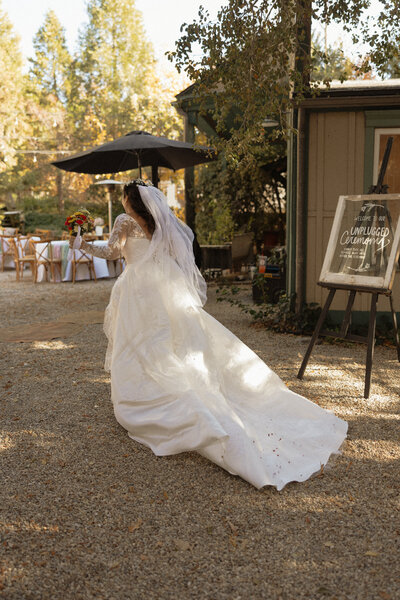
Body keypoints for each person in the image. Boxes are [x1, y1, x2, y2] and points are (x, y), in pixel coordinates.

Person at [70, 180, 347, 490]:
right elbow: (174, 253)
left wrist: (81, 244)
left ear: (128, 200)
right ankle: (179, 394)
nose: (122, 201)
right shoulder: (160, 220)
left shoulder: (123, 221)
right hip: (161, 286)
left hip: (137, 289)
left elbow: (111, 252)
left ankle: (152, 400)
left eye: (123, 196)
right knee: (166, 342)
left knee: (140, 345)